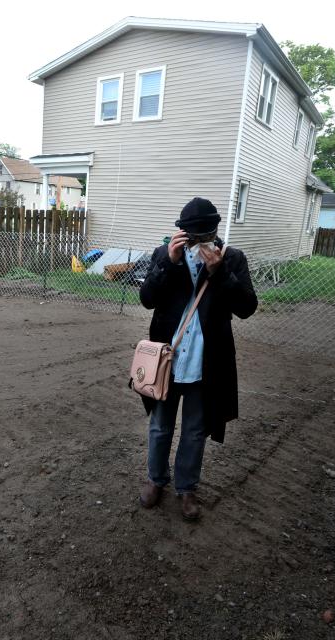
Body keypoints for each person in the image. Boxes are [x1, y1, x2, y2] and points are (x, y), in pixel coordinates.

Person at [137, 197, 258, 521]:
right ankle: (156, 479)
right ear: (181, 232)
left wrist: (220, 273)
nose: (199, 243)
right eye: (193, 237)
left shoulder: (232, 258)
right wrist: (169, 263)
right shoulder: (164, 254)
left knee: (194, 430)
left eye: (205, 236)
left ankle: (187, 488)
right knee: (160, 426)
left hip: (206, 362)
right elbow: (147, 299)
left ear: (215, 231)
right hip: (168, 360)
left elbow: (246, 308)